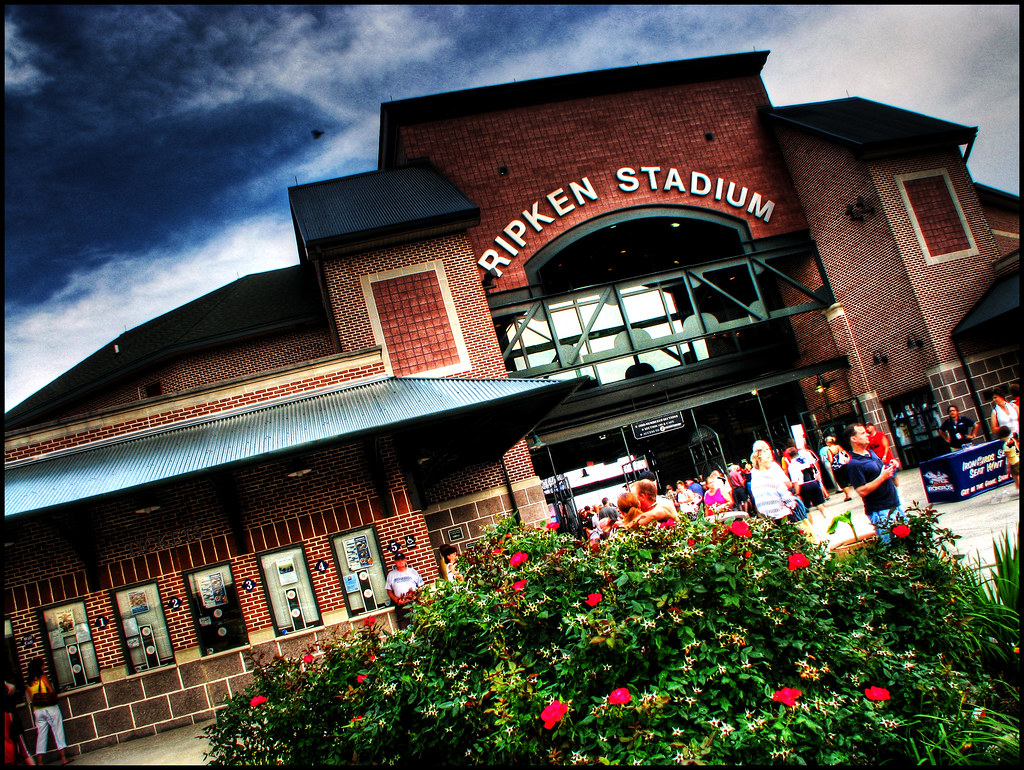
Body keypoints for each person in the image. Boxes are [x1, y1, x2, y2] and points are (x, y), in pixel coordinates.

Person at [840, 424, 902, 547]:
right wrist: (882, 477)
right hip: (881, 510)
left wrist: (891, 465)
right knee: (891, 548)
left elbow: (879, 472)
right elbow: (862, 491)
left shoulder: (871, 453)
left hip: (894, 504)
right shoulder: (854, 464)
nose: (867, 434)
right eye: (862, 433)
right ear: (854, 439)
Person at [748, 441, 807, 526]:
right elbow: (785, 490)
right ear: (760, 459)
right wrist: (792, 503)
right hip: (782, 512)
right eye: (767, 450)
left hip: (767, 517)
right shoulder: (772, 470)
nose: (770, 458)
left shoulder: (754, 476)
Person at [25, 659, 67, 765]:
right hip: (50, 707)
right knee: (58, 731)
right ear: (39, 667)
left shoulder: (29, 682)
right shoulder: (43, 677)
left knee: (41, 735)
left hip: (37, 710)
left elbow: (30, 698)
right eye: (43, 665)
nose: (44, 667)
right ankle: (63, 758)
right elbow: (51, 690)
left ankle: (39, 762)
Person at [786, 446, 827, 523]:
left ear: (789, 456)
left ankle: (811, 528)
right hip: (813, 482)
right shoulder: (805, 459)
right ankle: (829, 520)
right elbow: (815, 469)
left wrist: (797, 493)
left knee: (806, 510)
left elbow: (795, 481)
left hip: (803, 486)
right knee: (820, 505)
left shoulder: (792, 465)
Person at [385, 552, 424, 630]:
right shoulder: (391, 575)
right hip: (401, 604)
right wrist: (397, 600)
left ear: (406, 560)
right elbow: (389, 591)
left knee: (420, 624)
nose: (400, 562)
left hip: (414, 602)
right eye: (398, 560)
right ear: (395, 562)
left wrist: (417, 597)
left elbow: (421, 586)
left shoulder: (412, 571)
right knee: (404, 628)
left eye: (402, 559)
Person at [4, 681, 34, 765]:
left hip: (9, 751)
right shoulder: (8, 715)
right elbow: (12, 688)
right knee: (25, 752)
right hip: (10, 749)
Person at [824, 436, 853, 501]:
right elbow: (844, 453)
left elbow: (831, 460)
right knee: (845, 479)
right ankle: (849, 493)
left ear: (828, 442)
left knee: (841, 481)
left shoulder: (829, 450)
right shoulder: (838, 446)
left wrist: (828, 459)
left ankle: (848, 495)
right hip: (843, 464)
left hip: (836, 467)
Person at [996, 426, 1019, 495]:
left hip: (1013, 462)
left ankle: (1018, 487)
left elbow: (1008, 457)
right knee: (1016, 475)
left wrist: (1008, 467)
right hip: (1017, 458)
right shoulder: (1013, 440)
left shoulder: (1005, 445)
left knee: (1016, 476)